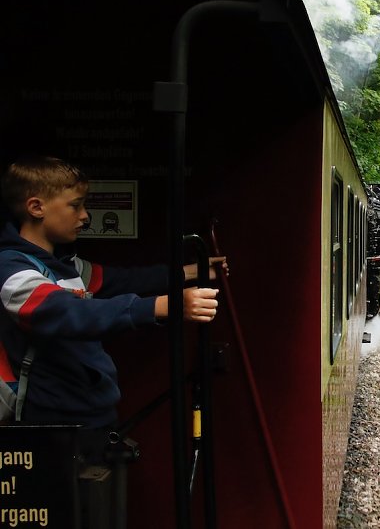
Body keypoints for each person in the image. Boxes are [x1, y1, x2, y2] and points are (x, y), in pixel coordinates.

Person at [0, 155, 224, 459]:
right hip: (51, 425)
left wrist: (194, 270)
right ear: (36, 207)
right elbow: (70, 313)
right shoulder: (12, 270)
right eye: (75, 205)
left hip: (92, 414)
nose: (85, 216)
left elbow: (123, 280)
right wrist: (161, 306)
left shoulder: (67, 265)